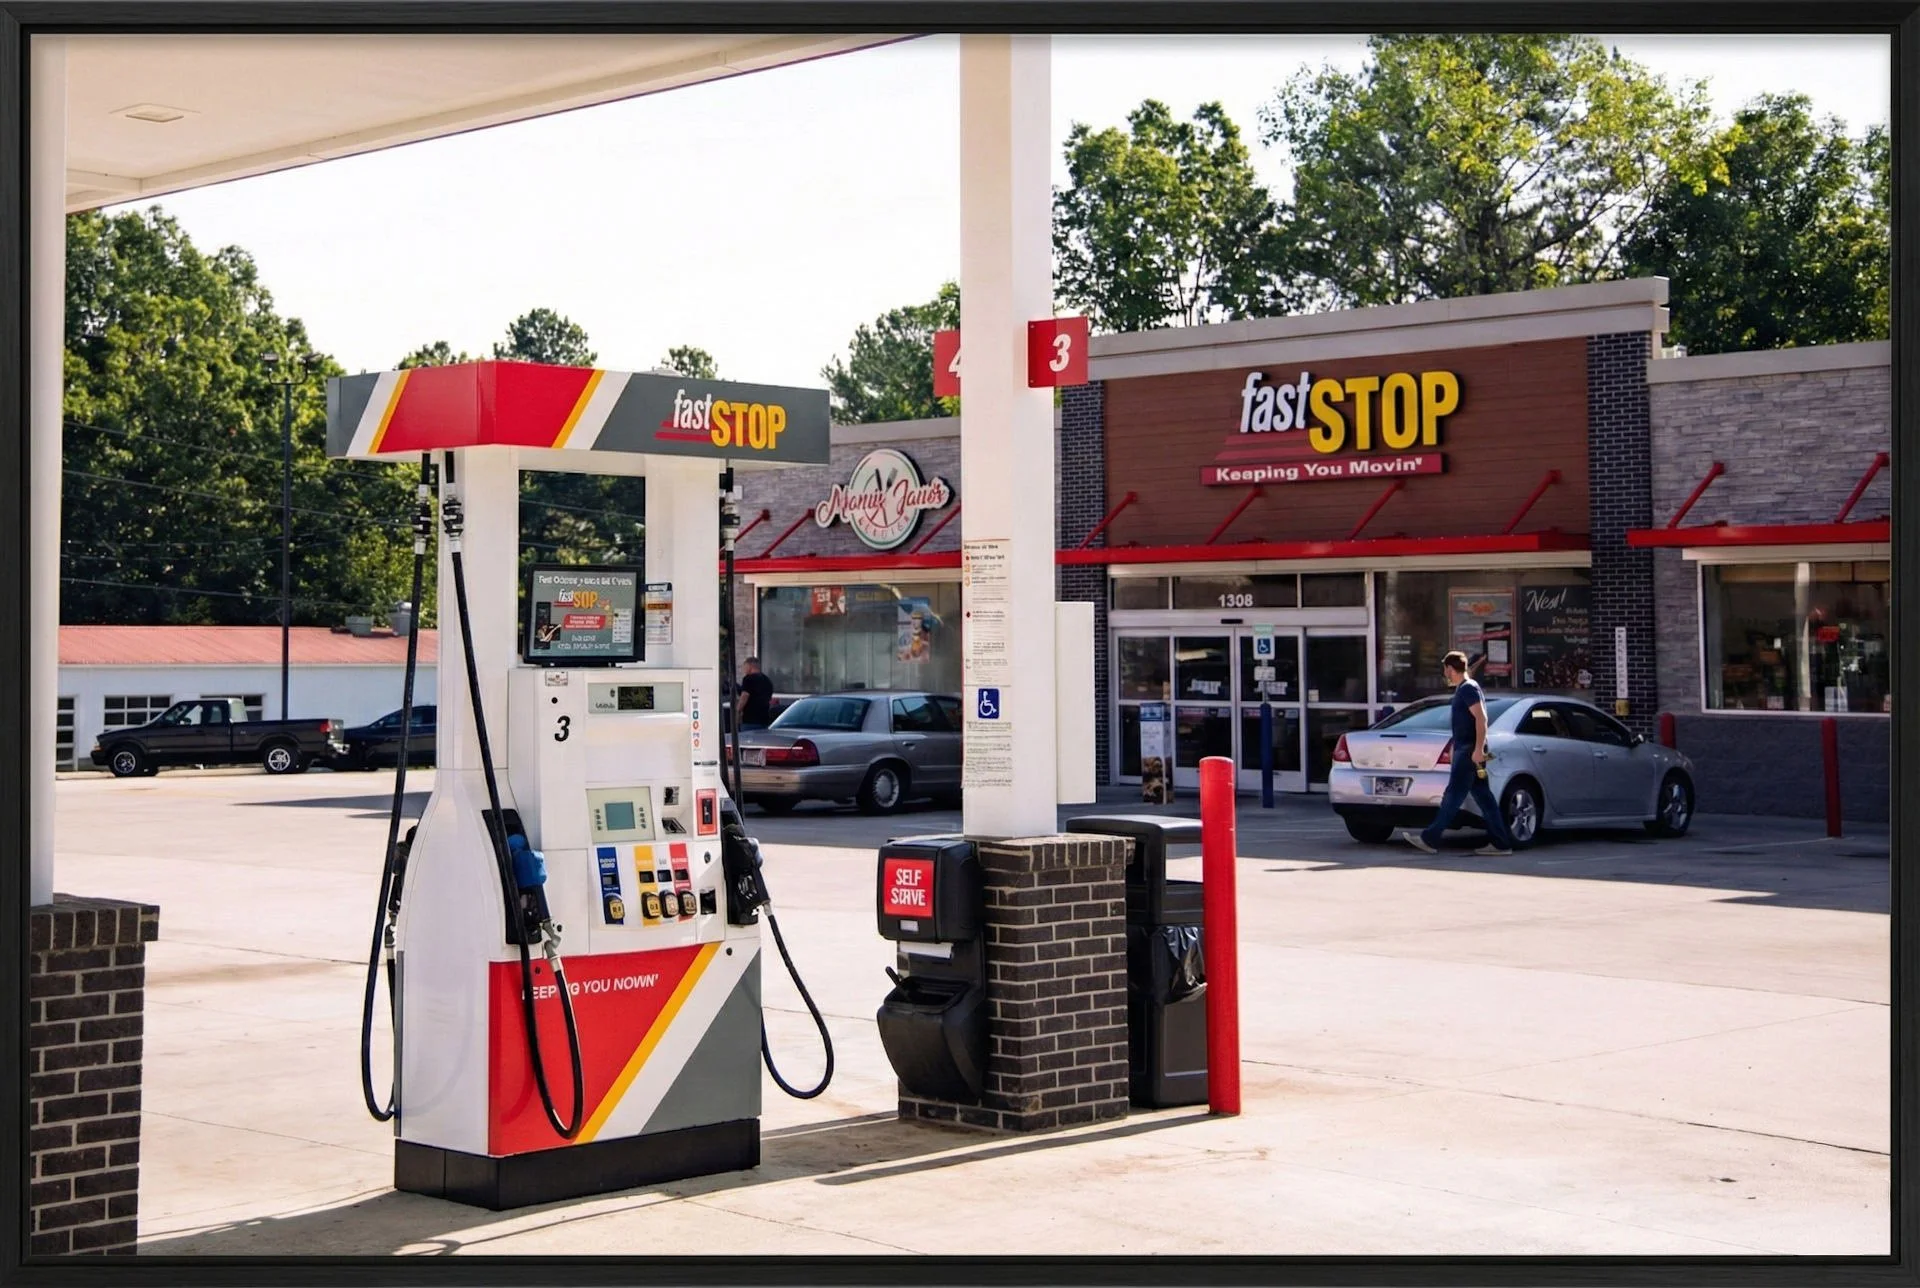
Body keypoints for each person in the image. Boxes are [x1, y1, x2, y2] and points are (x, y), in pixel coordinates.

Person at [1405, 650, 1515, 857]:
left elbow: (1481, 719)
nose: (1445, 673)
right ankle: (1501, 844)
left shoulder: (1467, 689)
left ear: (1449, 668)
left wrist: (1478, 750)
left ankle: (1430, 838)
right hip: (1467, 749)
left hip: (1469, 752)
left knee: (1453, 796)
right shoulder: (1467, 687)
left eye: (1445, 669)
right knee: (1485, 799)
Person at [736, 657, 775, 730]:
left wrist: (737, 711)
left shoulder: (748, 679)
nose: (744, 670)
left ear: (749, 666)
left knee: (745, 740)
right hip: (764, 720)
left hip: (750, 720)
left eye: (744, 667)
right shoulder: (767, 680)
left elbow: (745, 696)